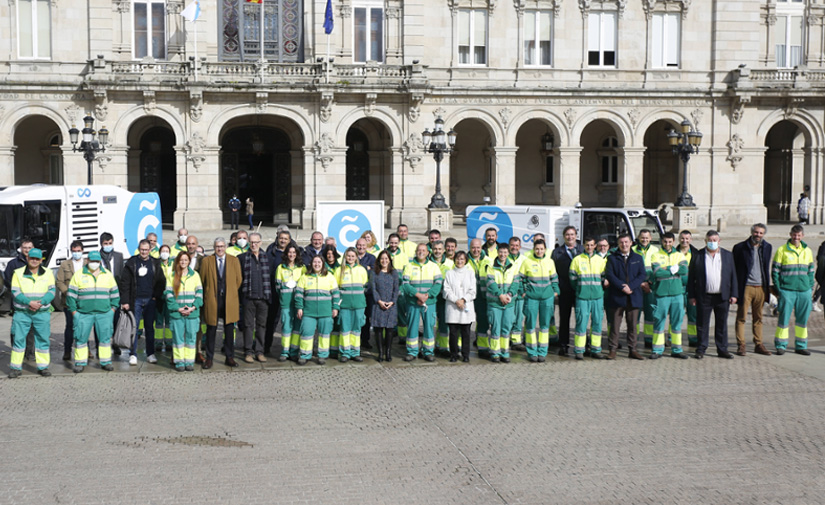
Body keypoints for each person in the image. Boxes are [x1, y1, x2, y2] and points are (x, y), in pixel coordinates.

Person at [67, 250, 120, 373]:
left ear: (100, 261)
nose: (94, 263)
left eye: (97, 261)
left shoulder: (107, 274)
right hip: (83, 314)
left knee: (105, 339)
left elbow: (115, 294)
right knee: (80, 339)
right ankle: (80, 362)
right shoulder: (78, 275)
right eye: (92, 261)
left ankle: (106, 362)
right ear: (87, 260)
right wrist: (75, 313)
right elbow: (71, 296)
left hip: (104, 313)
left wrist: (112, 310)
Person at [687, 231, 738, 360]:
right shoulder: (698, 255)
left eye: (715, 240)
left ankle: (722, 349)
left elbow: (733, 276)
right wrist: (692, 296)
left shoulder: (727, 255)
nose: (712, 242)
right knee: (702, 324)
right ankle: (701, 349)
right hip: (704, 296)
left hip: (722, 296)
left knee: (722, 324)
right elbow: (691, 277)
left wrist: (734, 294)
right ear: (705, 241)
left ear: (719, 241)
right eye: (710, 240)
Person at [8, 248, 55, 378]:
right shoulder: (18, 273)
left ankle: (43, 367)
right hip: (23, 312)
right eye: (32, 258)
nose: (34, 260)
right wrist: (29, 303)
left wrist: (41, 302)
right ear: (27, 258)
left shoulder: (48, 273)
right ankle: (16, 368)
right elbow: (15, 292)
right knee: (19, 339)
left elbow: (52, 291)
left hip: (42, 312)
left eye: (37, 259)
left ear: (41, 260)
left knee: (43, 340)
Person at [119, 239, 167, 365]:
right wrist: (125, 301)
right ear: (139, 249)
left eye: (146, 250)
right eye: (142, 249)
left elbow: (161, 281)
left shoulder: (155, 263)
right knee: (133, 328)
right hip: (135, 300)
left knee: (149, 328)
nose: (144, 252)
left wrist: (156, 296)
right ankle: (133, 354)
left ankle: (150, 354)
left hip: (150, 300)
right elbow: (124, 283)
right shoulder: (132, 262)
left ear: (150, 250)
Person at [772, 225, 815, 356]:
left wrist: (810, 287)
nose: (796, 238)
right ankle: (781, 345)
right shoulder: (782, 250)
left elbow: (811, 271)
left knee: (802, 321)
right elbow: (775, 272)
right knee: (784, 319)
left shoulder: (807, 251)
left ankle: (801, 345)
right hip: (787, 290)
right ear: (790, 234)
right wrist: (780, 290)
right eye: (794, 235)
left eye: (799, 235)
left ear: (802, 236)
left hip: (804, 291)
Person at [200, 238, 242, 369]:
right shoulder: (207, 261)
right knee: (211, 329)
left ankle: (229, 357)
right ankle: (209, 358)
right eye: (217, 246)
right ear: (214, 247)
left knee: (229, 329)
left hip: (229, 299)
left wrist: (230, 292)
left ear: (225, 247)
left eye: (222, 246)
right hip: (213, 299)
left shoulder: (233, 260)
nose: (220, 249)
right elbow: (202, 280)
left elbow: (238, 280)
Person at [732, 224, 773, 356]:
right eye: (756, 232)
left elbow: (766, 267)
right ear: (751, 232)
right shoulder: (740, 248)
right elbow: (734, 270)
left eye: (761, 233)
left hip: (761, 287)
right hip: (746, 287)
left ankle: (758, 343)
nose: (758, 235)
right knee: (741, 317)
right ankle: (741, 344)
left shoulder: (767, 247)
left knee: (758, 317)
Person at [604, 234, 646, 360]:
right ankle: (612, 350)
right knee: (615, 325)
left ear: (631, 243)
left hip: (633, 296)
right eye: (621, 242)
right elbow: (610, 275)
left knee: (632, 325)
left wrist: (630, 287)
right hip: (617, 296)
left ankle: (632, 349)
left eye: (626, 242)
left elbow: (642, 275)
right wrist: (622, 287)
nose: (624, 244)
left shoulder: (638, 258)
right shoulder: (612, 258)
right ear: (618, 244)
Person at [294, 256, 340, 365]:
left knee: (324, 334)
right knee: (306, 334)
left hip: (326, 312)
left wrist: (335, 308)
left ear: (323, 264)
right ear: (311, 264)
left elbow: (336, 294)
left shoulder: (329, 277)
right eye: (315, 262)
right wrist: (299, 307)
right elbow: (299, 294)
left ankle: (322, 355)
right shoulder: (304, 277)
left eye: (319, 262)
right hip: (309, 312)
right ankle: (305, 355)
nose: (317, 264)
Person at [649, 232, 688, 359]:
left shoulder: (679, 254)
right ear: (661, 241)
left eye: (670, 241)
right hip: (662, 294)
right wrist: (674, 269)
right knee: (659, 322)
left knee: (677, 323)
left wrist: (667, 268)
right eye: (665, 241)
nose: (667, 244)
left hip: (677, 294)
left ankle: (677, 349)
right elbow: (657, 273)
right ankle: (657, 350)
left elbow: (684, 270)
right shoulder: (656, 255)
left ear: (673, 241)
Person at [401, 243, 443, 361]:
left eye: (423, 250)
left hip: (429, 302)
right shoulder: (409, 266)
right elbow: (405, 284)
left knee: (429, 327)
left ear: (428, 253)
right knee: (412, 327)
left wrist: (427, 296)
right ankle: (412, 352)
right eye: (419, 250)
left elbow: (438, 284)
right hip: (413, 302)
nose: (421, 252)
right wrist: (417, 295)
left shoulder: (434, 266)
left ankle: (428, 352)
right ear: (415, 252)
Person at [519, 239, 558, 362]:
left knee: (545, 326)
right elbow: (520, 279)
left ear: (545, 249)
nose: (539, 251)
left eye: (541, 249)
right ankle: (531, 352)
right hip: (531, 298)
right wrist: (523, 292)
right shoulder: (527, 262)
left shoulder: (550, 262)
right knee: (530, 325)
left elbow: (554, 278)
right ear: (533, 249)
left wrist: (556, 291)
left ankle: (542, 352)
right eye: (537, 249)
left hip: (547, 298)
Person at [164, 252, 204, 371]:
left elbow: (199, 293)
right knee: (178, 339)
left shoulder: (195, 275)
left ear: (189, 261)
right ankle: (179, 362)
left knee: (191, 338)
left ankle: (189, 361)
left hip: (192, 313)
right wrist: (178, 308)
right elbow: (168, 294)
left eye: (186, 260)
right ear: (177, 261)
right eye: (181, 260)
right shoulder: (171, 276)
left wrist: (193, 307)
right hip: (177, 313)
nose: (183, 262)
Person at [570, 237, 607, 360]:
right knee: (581, 323)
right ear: (584, 246)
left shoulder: (600, 260)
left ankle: (596, 349)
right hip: (582, 297)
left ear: (595, 246)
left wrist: (599, 290)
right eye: (587, 245)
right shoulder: (577, 260)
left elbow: (604, 277)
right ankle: (579, 350)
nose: (589, 247)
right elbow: (572, 278)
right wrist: (580, 290)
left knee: (597, 323)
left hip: (597, 297)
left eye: (592, 245)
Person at [239, 232, 271, 363]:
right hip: (249, 298)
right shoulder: (241, 258)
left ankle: (259, 351)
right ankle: (248, 352)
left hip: (263, 298)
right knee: (248, 326)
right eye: (251, 242)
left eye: (256, 242)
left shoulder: (267, 257)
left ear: (261, 243)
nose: (254, 245)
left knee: (261, 326)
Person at [486, 243, 521, 363]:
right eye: (501, 252)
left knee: (506, 328)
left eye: (505, 252)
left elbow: (516, 282)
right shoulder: (491, 265)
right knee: (496, 328)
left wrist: (509, 295)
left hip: (509, 303)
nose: (503, 254)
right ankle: (495, 353)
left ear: (508, 253)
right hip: (495, 302)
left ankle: (505, 352)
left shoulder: (513, 266)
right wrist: (500, 295)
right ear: (497, 252)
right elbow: (490, 282)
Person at [551, 226, 583, 356]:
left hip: (581, 289)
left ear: (576, 236)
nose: (570, 237)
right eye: (567, 235)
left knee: (581, 318)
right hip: (564, 290)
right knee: (564, 319)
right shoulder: (557, 252)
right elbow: (554, 272)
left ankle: (581, 344)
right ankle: (563, 345)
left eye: (572, 234)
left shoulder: (582, 249)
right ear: (564, 236)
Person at [4, 238, 35, 361]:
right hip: (18, 303)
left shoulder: (36, 262)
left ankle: (30, 353)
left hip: (32, 302)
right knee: (16, 330)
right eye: (25, 247)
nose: (27, 250)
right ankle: (17, 352)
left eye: (29, 247)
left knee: (31, 330)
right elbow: (7, 280)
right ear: (21, 248)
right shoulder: (13, 264)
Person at [336, 247, 369, 362]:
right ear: (345, 257)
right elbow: (336, 289)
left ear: (356, 257)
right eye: (348, 256)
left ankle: (355, 352)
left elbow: (365, 286)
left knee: (356, 329)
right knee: (345, 329)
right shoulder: (339, 270)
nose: (350, 258)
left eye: (352, 256)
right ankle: (345, 352)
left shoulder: (361, 270)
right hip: (344, 305)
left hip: (359, 304)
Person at [443, 251, 476, 362]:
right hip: (453, 307)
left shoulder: (470, 273)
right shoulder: (449, 273)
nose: (460, 261)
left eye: (462, 259)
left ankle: (465, 354)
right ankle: (454, 354)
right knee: (453, 333)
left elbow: (473, 291)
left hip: (466, 307)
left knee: (466, 333)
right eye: (457, 259)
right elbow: (446, 290)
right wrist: (456, 300)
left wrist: (463, 300)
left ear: (465, 260)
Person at [56, 240, 85, 362]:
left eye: (78, 251)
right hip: (69, 302)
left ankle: (85, 350)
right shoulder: (65, 265)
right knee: (70, 326)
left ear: (82, 251)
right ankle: (67, 350)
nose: (76, 253)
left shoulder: (88, 263)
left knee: (85, 327)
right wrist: (69, 294)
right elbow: (59, 282)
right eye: (74, 251)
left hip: (84, 301)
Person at [275, 244, 304, 361]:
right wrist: (283, 296)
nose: (292, 255)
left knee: (297, 328)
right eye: (289, 252)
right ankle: (285, 351)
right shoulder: (281, 268)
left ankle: (294, 351)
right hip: (286, 303)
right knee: (286, 328)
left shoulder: (302, 268)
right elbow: (277, 286)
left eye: (294, 252)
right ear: (286, 254)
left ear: (297, 254)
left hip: (298, 304)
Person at [631, 229, 659, 348]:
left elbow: (657, 270)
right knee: (634, 315)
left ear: (651, 238)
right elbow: (630, 271)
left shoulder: (655, 250)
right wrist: (640, 283)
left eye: (647, 238)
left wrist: (649, 283)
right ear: (638, 237)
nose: (645, 240)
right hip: (636, 288)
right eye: (642, 237)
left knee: (650, 314)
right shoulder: (632, 250)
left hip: (650, 288)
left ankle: (649, 340)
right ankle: (634, 339)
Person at [369, 250, 399, 362]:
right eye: (382, 258)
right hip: (378, 305)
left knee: (390, 330)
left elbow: (396, 289)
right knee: (379, 330)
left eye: (386, 259)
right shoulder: (374, 272)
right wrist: (379, 301)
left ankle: (388, 352)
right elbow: (373, 289)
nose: (384, 261)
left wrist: (392, 301)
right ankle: (380, 353)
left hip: (391, 305)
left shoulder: (394, 272)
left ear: (390, 260)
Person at [430, 240, 454, 355]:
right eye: (435, 249)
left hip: (444, 298)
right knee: (430, 322)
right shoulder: (427, 263)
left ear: (444, 250)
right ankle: (429, 347)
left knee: (444, 322)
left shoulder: (450, 264)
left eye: (440, 249)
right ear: (431, 249)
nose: (437, 251)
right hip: (430, 297)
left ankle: (443, 347)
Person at [468, 239, 491, 356]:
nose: (475, 250)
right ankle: (462, 348)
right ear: (469, 247)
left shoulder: (489, 261)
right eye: (473, 248)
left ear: (481, 248)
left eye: (478, 247)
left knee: (483, 322)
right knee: (464, 323)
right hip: (468, 298)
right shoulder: (464, 261)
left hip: (482, 297)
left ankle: (483, 347)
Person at [677, 230, 700, 346]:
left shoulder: (696, 253)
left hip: (692, 290)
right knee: (676, 314)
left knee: (693, 315)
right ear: (678, 239)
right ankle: (672, 339)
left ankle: (693, 339)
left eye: (687, 238)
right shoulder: (673, 252)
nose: (684, 241)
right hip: (677, 289)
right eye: (682, 238)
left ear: (691, 240)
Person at [506, 237, 528, 351]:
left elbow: (528, 277)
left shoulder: (524, 259)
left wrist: (525, 291)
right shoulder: (505, 258)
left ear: (520, 247)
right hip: (508, 294)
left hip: (520, 295)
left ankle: (516, 340)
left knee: (519, 317)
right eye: (512, 245)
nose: (514, 248)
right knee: (508, 318)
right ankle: (506, 338)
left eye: (516, 245)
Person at [355, 238, 376, 349]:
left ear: (367, 246)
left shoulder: (372, 258)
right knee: (356, 317)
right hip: (355, 293)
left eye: (363, 245)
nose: (361, 247)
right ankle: (355, 339)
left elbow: (373, 272)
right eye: (359, 245)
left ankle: (365, 339)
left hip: (368, 293)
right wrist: (366, 268)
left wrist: (361, 268)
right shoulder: (352, 256)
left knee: (366, 317)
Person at [155, 245, 175, 354]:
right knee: (158, 321)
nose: (165, 253)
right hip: (159, 296)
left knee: (169, 320)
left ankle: (169, 343)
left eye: (167, 251)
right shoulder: (156, 264)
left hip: (171, 296)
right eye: (163, 251)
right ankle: (158, 343)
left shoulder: (174, 264)